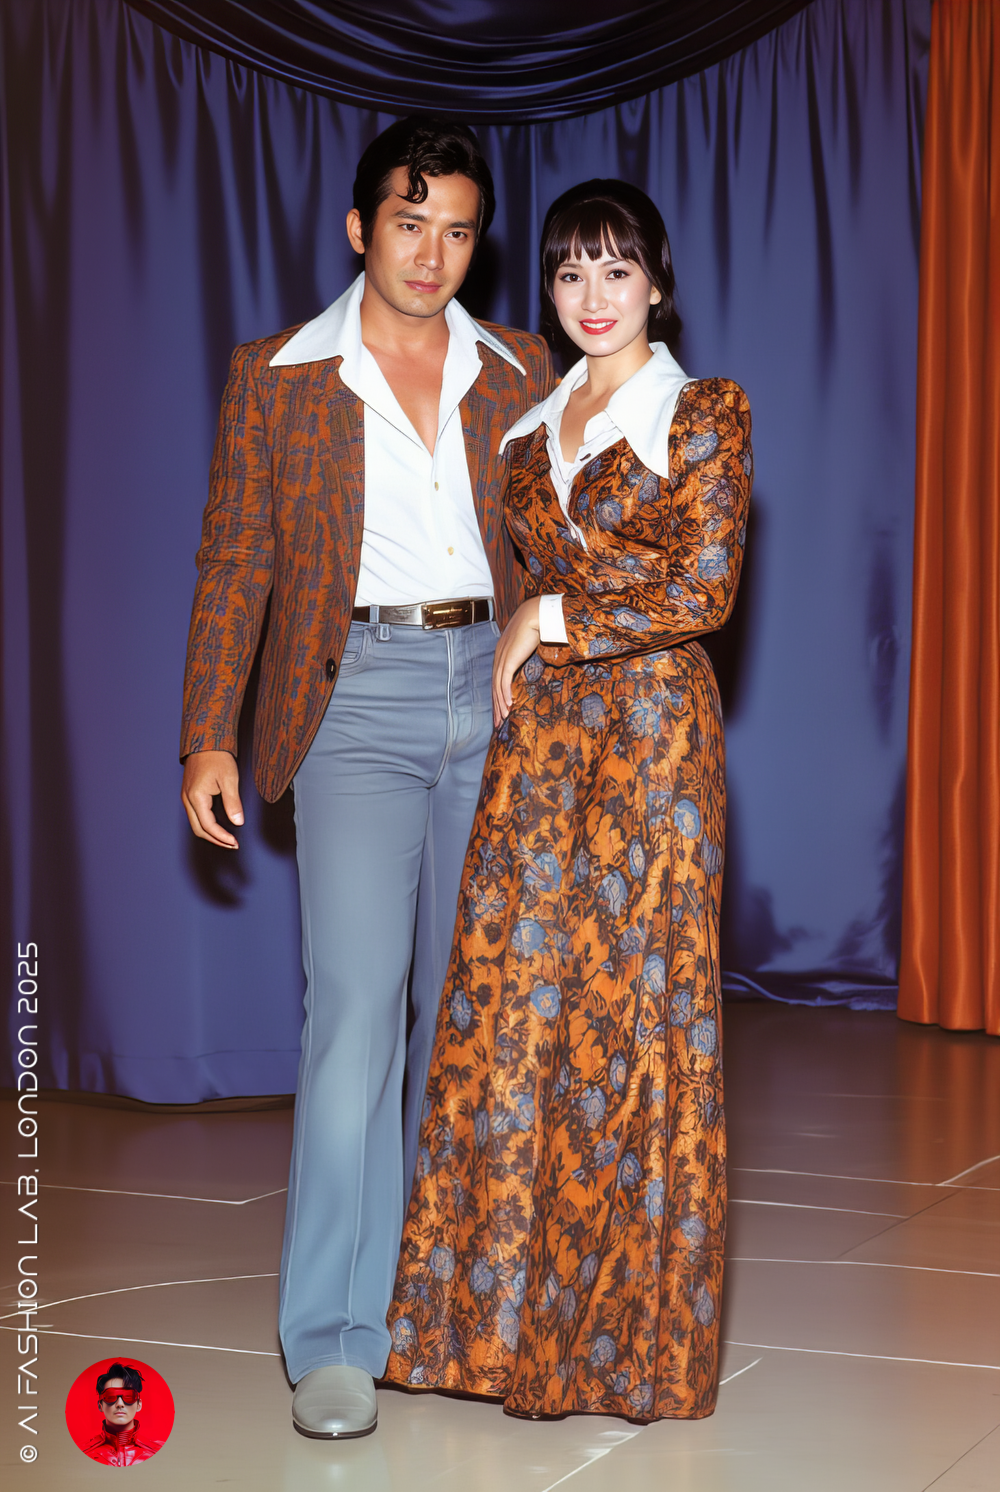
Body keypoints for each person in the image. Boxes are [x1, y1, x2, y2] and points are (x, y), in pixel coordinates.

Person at [179, 118, 554, 1439]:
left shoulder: (521, 368)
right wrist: (208, 731)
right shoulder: (278, 375)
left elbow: (563, 540)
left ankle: (451, 1312)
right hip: (354, 700)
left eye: (456, 231)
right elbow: (237, 560)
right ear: (359, 229)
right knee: (355, 1015)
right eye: (408, 225)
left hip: (497, 697)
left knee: (473, 1019)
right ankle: (335, 1336)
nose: (431, 254)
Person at [385, 179, 751, 1421]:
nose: (592, 295)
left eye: (615, 268)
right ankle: (487, 1338)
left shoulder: (703, 411)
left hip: (653, 737)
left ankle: (624, 1349)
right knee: (511, 1013)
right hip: (540, 742)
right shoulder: (525, 430)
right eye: (568, 271)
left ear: (656, 281)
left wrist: (548, 614)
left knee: (634, 1019)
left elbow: (703, 588)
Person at [84, 1363, 159, 1465]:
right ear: (100, 1405)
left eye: (128, 1396)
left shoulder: (157, 1451)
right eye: (110, 1396)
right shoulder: (83, 1452)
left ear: (139, 1404)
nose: (120, 1404)